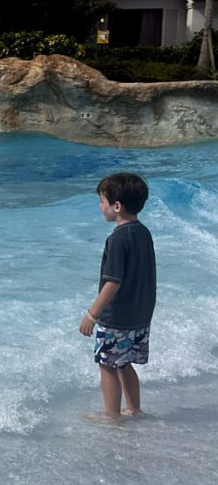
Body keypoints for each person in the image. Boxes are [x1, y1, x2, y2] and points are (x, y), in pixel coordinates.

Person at [78, 173, 156, 422]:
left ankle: (112, 415)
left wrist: (92, 314)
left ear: (117, 206)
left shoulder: (117, 238)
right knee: (124, 363)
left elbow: (113, 282)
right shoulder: (143, 233)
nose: (100, 206)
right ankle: (134, 408)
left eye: (102, 201)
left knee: (107, 364)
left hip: (117, 316)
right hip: (140, 314)